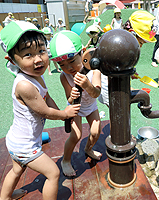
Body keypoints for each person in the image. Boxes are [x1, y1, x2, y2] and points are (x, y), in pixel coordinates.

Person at [0, 21, 80, 200]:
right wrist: (64, 114)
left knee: (17, 169)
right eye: (28, 54)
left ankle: (5, 198)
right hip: (24, 145)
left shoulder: (36, 76)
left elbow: (47, 98)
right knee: (53, 173)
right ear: (12, 60)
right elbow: (44, 111)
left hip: (19, 140)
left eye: (41, 51)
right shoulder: (24, 86)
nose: (38, 59)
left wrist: (63, 115)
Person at [50, 30, 102, 177]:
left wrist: (87, 85)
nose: (69, 68)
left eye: (72, 61)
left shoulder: (94, 71)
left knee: (95, 132)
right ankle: (65, 160)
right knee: (76, 135)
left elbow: (96, 93)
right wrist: (72, 95)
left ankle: (88, 149)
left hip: (91, 106)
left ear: (83, 54)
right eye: (62, 64)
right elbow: (69, 99)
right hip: (76, 108)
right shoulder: (64, 76)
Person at [98, 10, 157, 107]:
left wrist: (129, 73)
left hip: (117, 83)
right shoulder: (118, 46)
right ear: (132, 34)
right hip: (110, 86)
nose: (141, 47)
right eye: (141, 43)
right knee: (117, 110)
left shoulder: (125, 46)